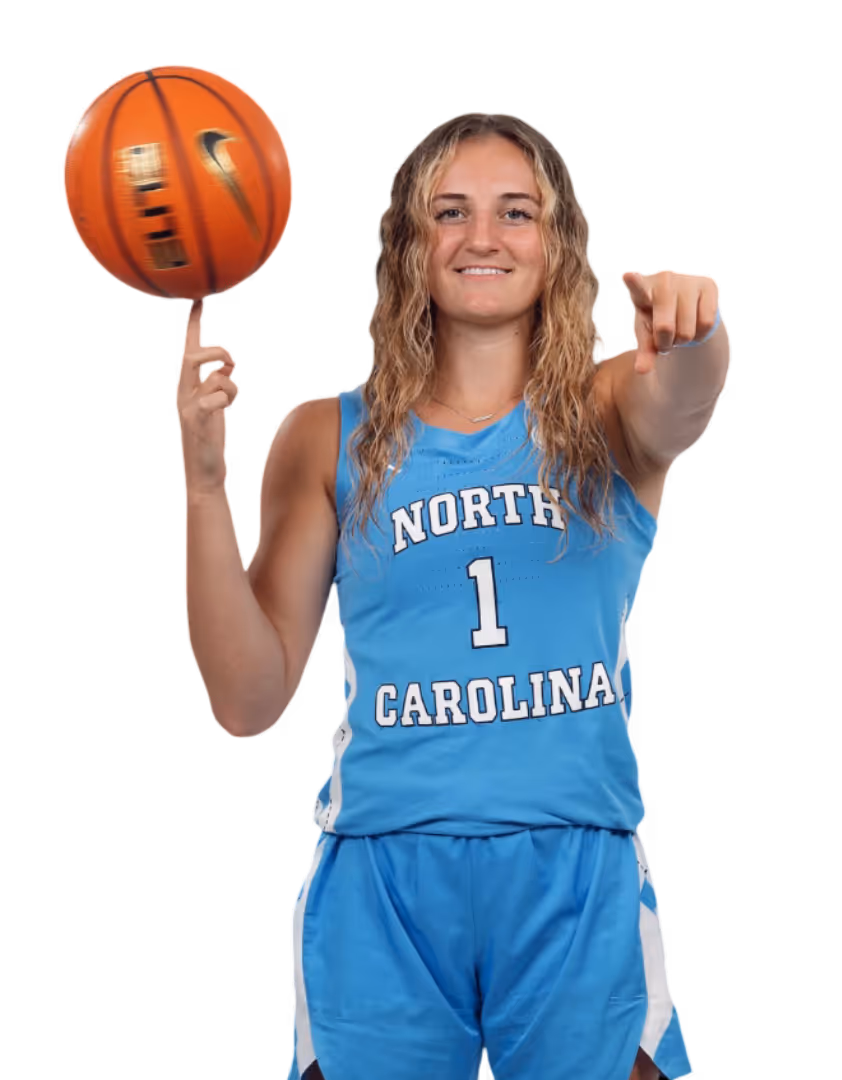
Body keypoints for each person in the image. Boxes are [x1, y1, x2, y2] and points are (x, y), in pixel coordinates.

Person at [179, 112, 693, 1080]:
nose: (481, 236)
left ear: (558, 241)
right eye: (449, 212)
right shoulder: (322, 434)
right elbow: (247, 703)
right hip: (381, 874)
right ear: (407, 243)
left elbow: (688, 397)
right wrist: (204, 487)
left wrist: (695, 330)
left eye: (515, 212)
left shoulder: (610, 407)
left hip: (574, 865)